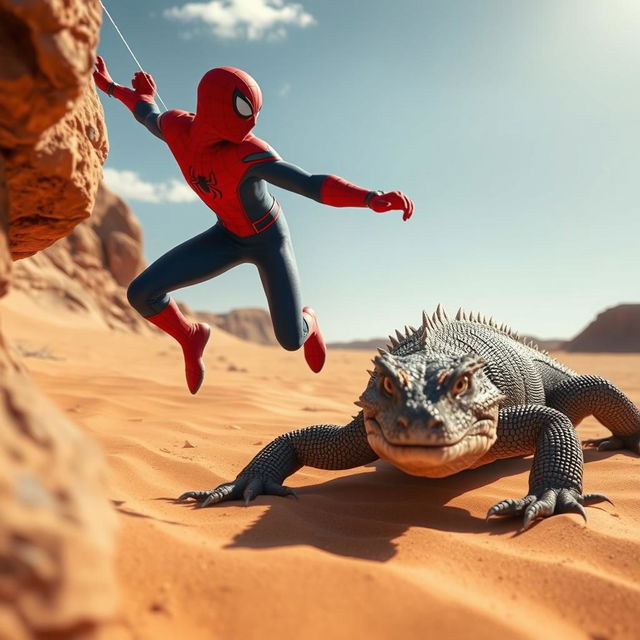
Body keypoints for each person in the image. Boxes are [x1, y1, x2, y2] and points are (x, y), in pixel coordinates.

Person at [93, 57, 415, 394]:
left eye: (256, 110)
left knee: (291, 339)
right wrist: (113, 88)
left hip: (269, 240)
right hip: (227, 236)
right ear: (216, 106)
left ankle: (310, 320)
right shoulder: (176, 128)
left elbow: (310, 184)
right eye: (245, 109)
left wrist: (370, 197)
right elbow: (146, 113)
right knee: (142, 294)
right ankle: (191, 337)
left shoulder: (249, 153)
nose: (253, 121)